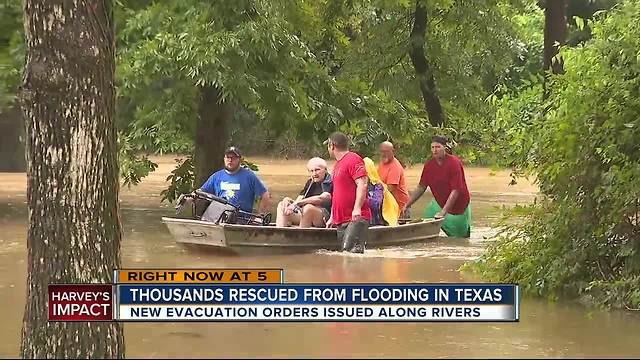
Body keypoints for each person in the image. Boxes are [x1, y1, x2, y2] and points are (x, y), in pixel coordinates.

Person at [404, 135, 472, 238]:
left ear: (445, 147)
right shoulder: (429, 165)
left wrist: (443, 212)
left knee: (460, 240)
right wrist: (407, 204)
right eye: (432, 147)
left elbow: (456, 190)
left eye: (438, 147)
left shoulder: (454, 163)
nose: (435, 150)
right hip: (438, 204)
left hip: (459, 207)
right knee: (423, 231)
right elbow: (421, 187)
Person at [325, 132, 371, 253]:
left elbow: (362, 184)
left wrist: (357, 208)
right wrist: (332, 217)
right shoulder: (337, 165)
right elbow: (337, 192)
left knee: (350, 253)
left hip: (355, 218)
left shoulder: (353, 159)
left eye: (328, 145)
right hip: (341, 219)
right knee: (344, 254)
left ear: (332, 145)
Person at [198, 146, 271, 216]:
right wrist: (189, 198)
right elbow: (201, 192)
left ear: (239, 159)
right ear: (224, 158)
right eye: (228, 157)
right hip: (219, 217)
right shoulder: (216, 176)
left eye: (233, 158)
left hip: (241, 219)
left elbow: (265, 195)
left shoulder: (249, 176)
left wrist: (260, 216)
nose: (230, 160)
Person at [276, 157, 333, 228]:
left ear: (325, 169)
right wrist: (289, 202)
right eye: (311, 171)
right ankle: (281, 234)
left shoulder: (330, 181)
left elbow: (322, 198)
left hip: (325, 217)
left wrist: (297, 203)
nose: (314, 173)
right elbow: (300, 199)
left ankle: (300, 236)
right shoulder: (310, 182)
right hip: (306, 215)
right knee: (282, 205)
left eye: (317, 170)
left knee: (308, 208)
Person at [377, 141, 410, 218]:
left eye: (386, 152)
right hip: (389, 206)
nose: (384, 154)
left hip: (400, 207)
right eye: (382, 151)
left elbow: (390, 189)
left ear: (393, 151)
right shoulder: (383, 163)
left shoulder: (394, 167)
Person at [363, 157, 399, 226]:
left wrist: (362, 195)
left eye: (365, 174)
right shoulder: (356, 185)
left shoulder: (378, 186)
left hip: (376, 223)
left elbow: (375, 205)